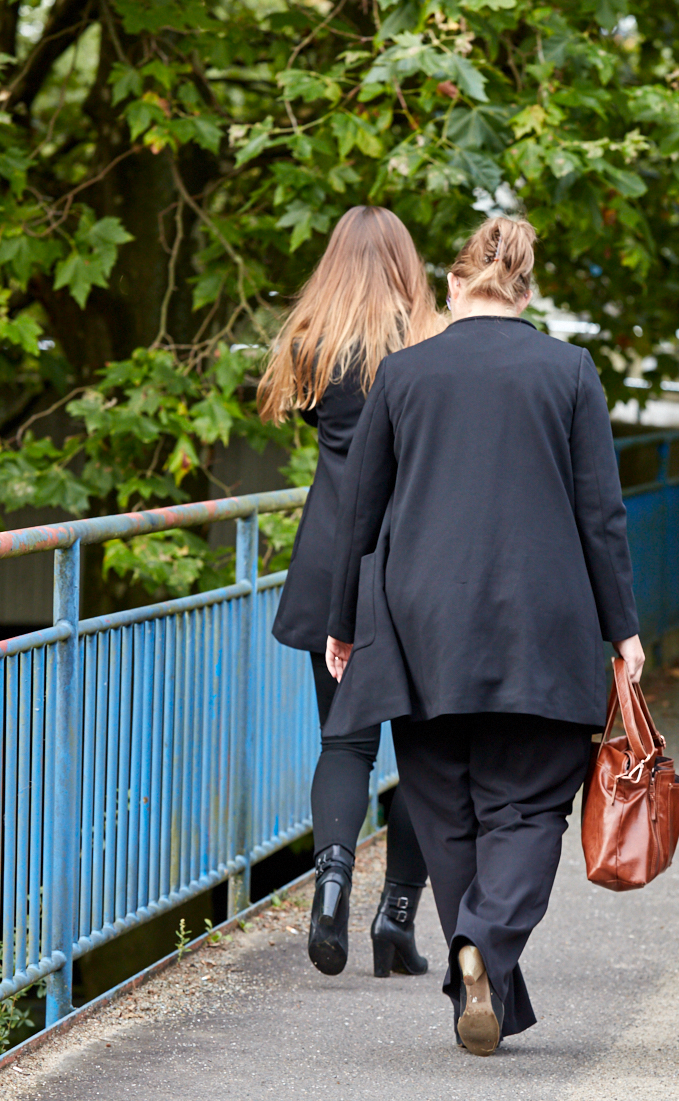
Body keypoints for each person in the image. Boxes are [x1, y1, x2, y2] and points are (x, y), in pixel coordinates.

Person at [323, 215, 644, 1056]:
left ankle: (484, 972)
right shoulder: (569, 371)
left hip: (420, 624)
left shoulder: (404, 372)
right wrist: (625, 631)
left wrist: (343, 624)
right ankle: (485, 949)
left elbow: (360, 511)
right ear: (526, 292)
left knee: (445, 804)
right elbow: (599, 514)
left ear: (457, 286)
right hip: (545, 624)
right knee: (531, 805)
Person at [259, 205, 442, 980]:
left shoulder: (311, 344)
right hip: (415, 559)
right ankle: (394, 914)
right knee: (429, 755)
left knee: (344, 742)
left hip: (332, 560)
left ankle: (329, 885)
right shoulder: (430, 346)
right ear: (405, 263)